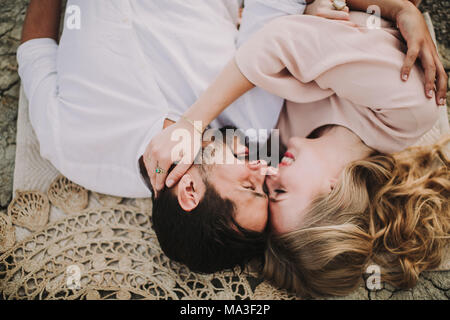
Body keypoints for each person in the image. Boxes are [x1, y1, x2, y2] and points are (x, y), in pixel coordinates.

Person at [145, 0, 448, 287]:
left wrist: (307, 10)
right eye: (280, 191)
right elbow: (280, 41)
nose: (268, 173)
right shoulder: (407, 112)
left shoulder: (284, 145)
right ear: (332, 192)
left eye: (265, 190)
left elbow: (210, 155)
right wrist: (399, 8)